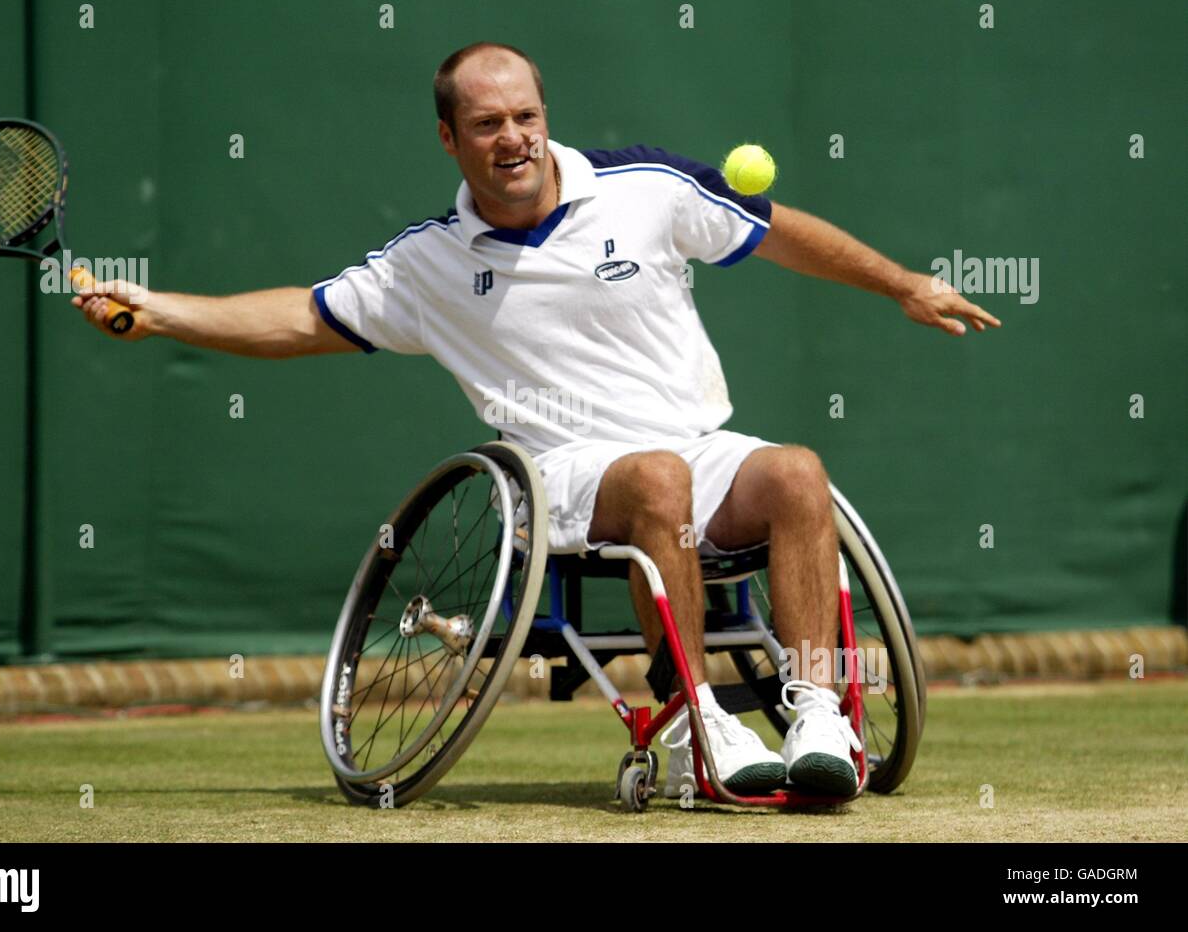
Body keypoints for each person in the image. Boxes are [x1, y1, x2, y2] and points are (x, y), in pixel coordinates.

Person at [74, 41, 1000, 798]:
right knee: (655, 479)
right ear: (449, 138)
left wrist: (905, 284)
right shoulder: (425, 263)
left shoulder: (648, 189)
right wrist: (160, 311)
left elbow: (775, 227)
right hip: (559, 479)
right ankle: (691, 718)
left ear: (545, 118)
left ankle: (816, 712)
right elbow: (301, 317)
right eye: (487, 124)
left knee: (797, 470)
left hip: (700, 450)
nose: (512, 138)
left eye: (526, 117)